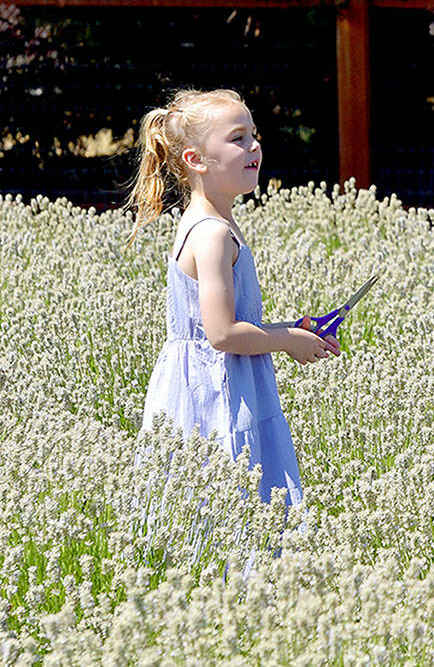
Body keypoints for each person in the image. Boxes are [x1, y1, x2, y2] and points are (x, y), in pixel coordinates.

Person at [127, 88, 340, 505]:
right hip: (217, 390)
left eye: (254, 135)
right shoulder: (212, 234)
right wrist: (286, 343)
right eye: (237, 138)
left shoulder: (211, 223)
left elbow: (229, 323)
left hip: (220, 377)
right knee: (228, 498)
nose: (254, 146)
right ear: (196, 160)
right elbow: (222, 334)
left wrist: (292, 329)